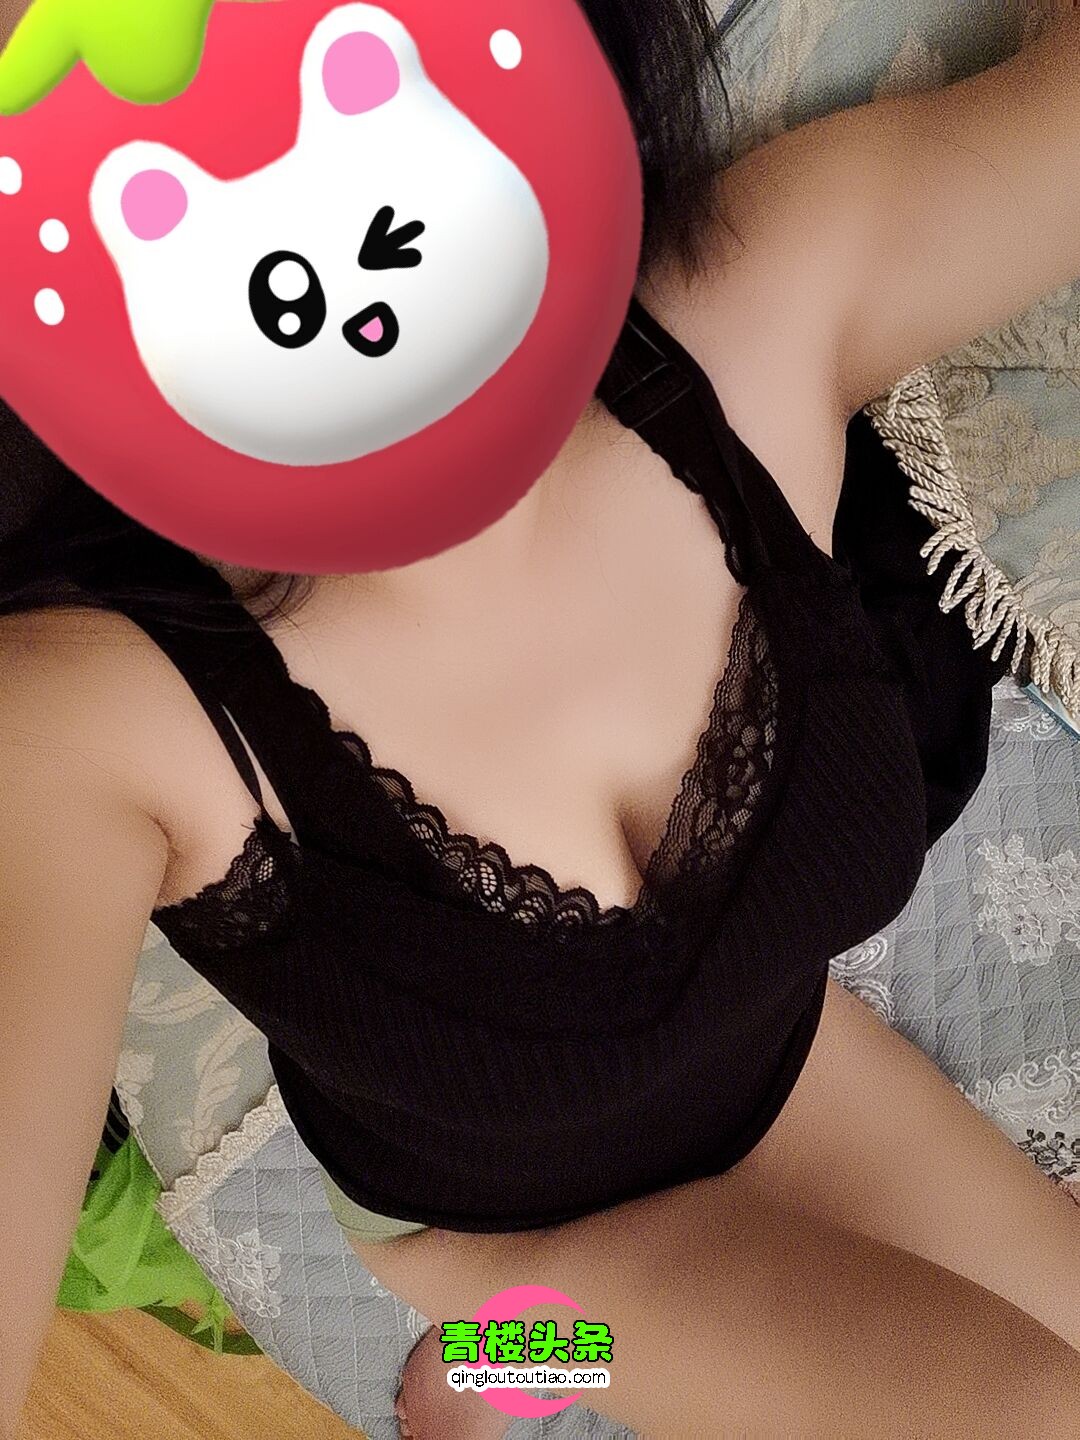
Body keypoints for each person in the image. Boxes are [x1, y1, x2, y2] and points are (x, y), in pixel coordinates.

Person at [2, 2, 1080, 1436]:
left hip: (780, 1061)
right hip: (499, 1214)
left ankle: (499, 1360)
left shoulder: (766, 300)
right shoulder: (91, 713)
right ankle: (505, 1339)